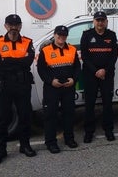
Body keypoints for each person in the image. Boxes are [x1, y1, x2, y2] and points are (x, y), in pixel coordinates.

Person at [0, 14, 36, 165]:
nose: (14, 27)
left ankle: (25, 145)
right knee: (2, 118)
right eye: (10, 24)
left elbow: (28, 62)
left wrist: (8, 60)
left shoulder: (28, 42)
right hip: (3, 85)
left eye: (16, 24)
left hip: (22, 84)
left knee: (25, 116)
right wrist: (18, 62)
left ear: (20, 26)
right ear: (6, 26)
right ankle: (0, 150)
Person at [37, 25, 81, 153]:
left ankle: (69, 139)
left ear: (66, 36)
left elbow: (77, 68)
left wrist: (74, 79)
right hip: (52, 88)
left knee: (69, 114)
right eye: (59, 35)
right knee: (50, 115)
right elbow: (41, 69)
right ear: (54, 35)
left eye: (64, 35)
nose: (61, 37)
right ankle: (51, 143)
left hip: (68, 87)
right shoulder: (45, 50)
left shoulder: (72, 49)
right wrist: (51, 81)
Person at [81, 11, 118, 143]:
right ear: (93, 21)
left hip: (107, 74)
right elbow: (84, 56)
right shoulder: (87, 35)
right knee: (89, 104)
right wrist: (96, 71)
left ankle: (108, 130)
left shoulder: (111, 35)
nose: (100, 22)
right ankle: (88, 132)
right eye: (98, 20)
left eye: (102, 20)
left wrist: (104, 70)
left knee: (108, 103)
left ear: (106, 22)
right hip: (90, 75)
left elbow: (114, 56)